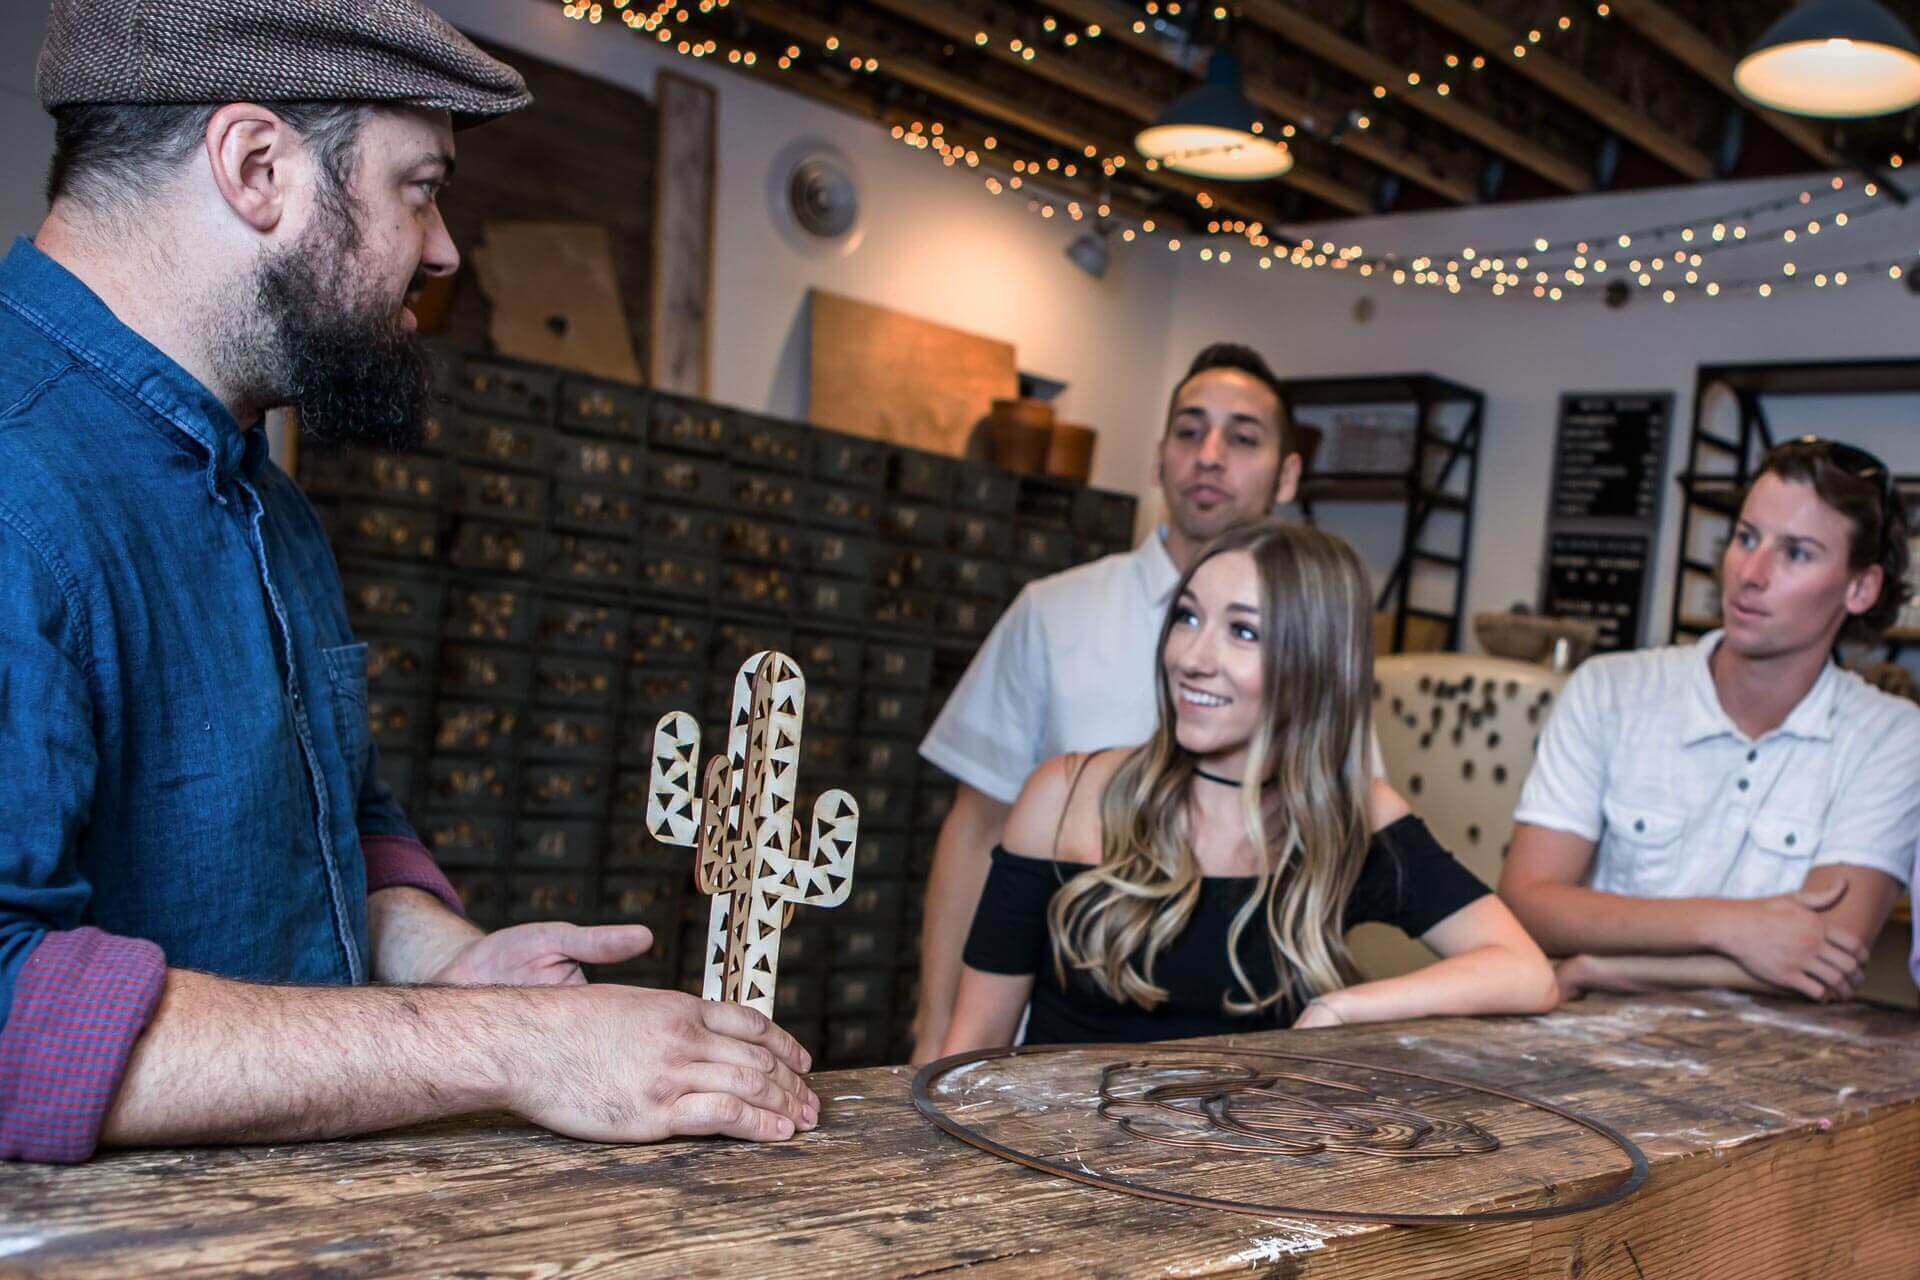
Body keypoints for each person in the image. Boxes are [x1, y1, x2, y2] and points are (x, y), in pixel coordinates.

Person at [0, 0, 814, 1165]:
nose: (443, 249)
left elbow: (329, 821)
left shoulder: (263, 495)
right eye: (418, 186)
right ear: (257, 165)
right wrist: (508, 1043)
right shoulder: (16, 476)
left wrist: (438, 953)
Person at [914, 343, 1394, 1060]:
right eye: (1188, 430)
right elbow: (976, 828)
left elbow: (1336, 833)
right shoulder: (1053, 611)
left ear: (1288, 473)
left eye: (1242, 437)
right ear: (1159, 455)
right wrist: (935, 1024)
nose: (1209, 454)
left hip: (1246, 1070)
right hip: (1047, 1048)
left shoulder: (1315, 652)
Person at [939, 521, 1556, 1054]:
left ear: (1313, 662)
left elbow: (1525, 972)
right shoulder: (1067, 796)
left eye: (1243, 632)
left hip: (1250, 1174)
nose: (1190, 656)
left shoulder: (1355, 816)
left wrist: (1348, 1008)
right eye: (1187, 617)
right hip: (1058, 1166)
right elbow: (973, 1045)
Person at [1501, 437, 1920, 1005]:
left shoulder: (1893, 736)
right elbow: (1527, 903)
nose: (1751, 572)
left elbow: (1828, 956)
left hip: (1771, 1073)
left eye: (1796, 553)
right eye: (1746, 538)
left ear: (1861, 587)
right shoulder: (1609, 689)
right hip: (1584, 1057)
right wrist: (1731, 925)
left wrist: (1599, 966)